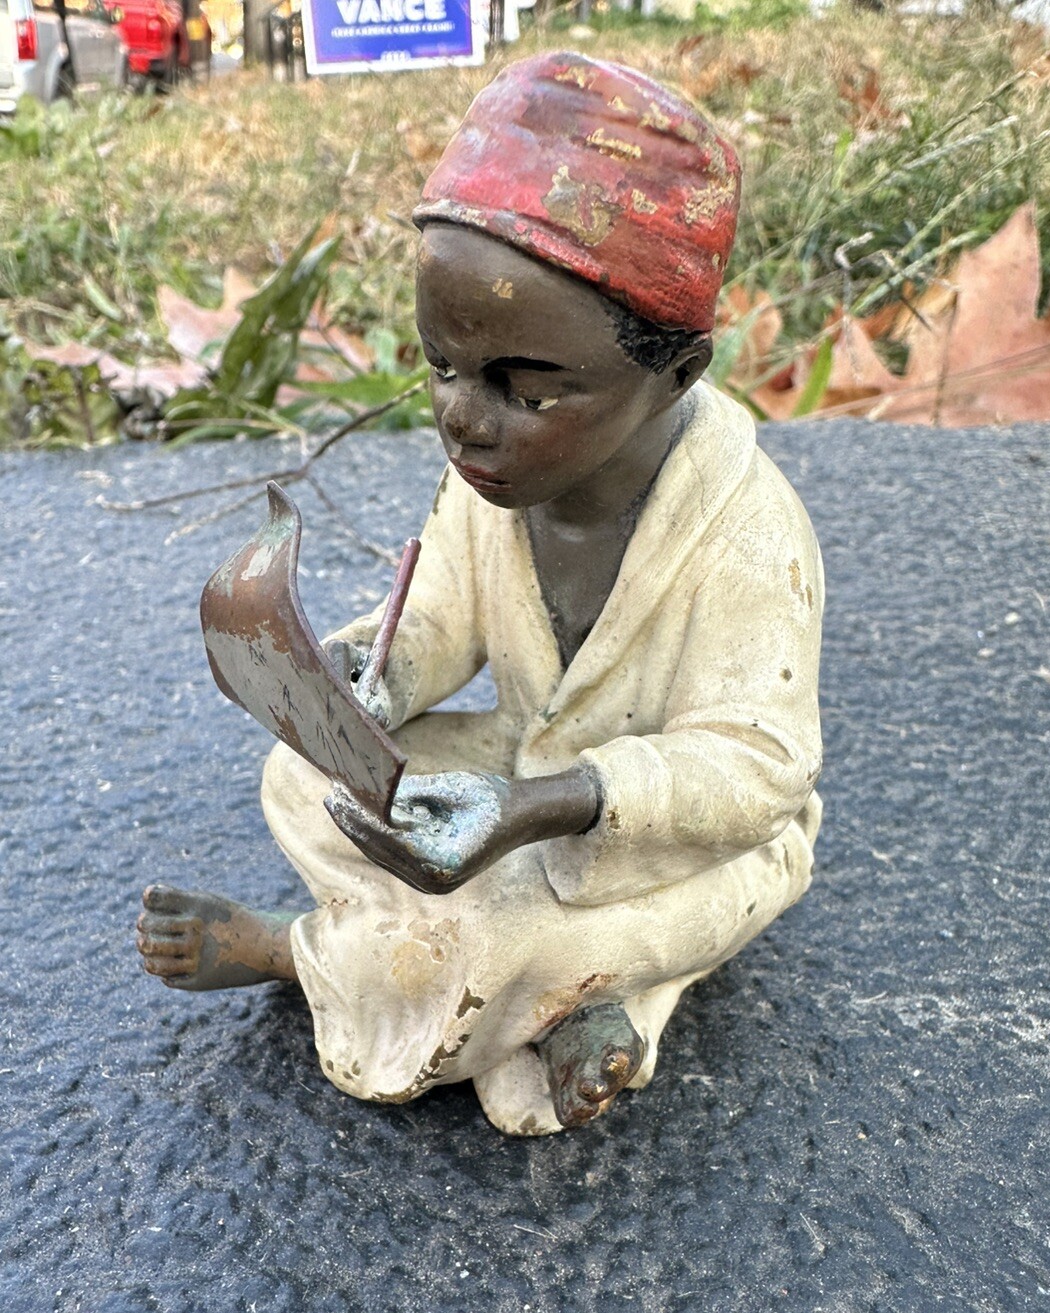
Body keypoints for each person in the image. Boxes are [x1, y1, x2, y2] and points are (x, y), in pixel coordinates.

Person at [136, 51, 824, 1135]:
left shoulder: (749, 530)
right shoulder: (494, 475)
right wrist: (366, 679)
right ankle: (574, 1009)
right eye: (442, 367)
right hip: (518, 772)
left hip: (680, 847)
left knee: (495, 935)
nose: (463, 419)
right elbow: (441, 615)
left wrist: (544, 809)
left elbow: (762, 770)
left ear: (676, 376)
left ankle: (296, 953)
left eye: (525, 390)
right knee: (299, 776)